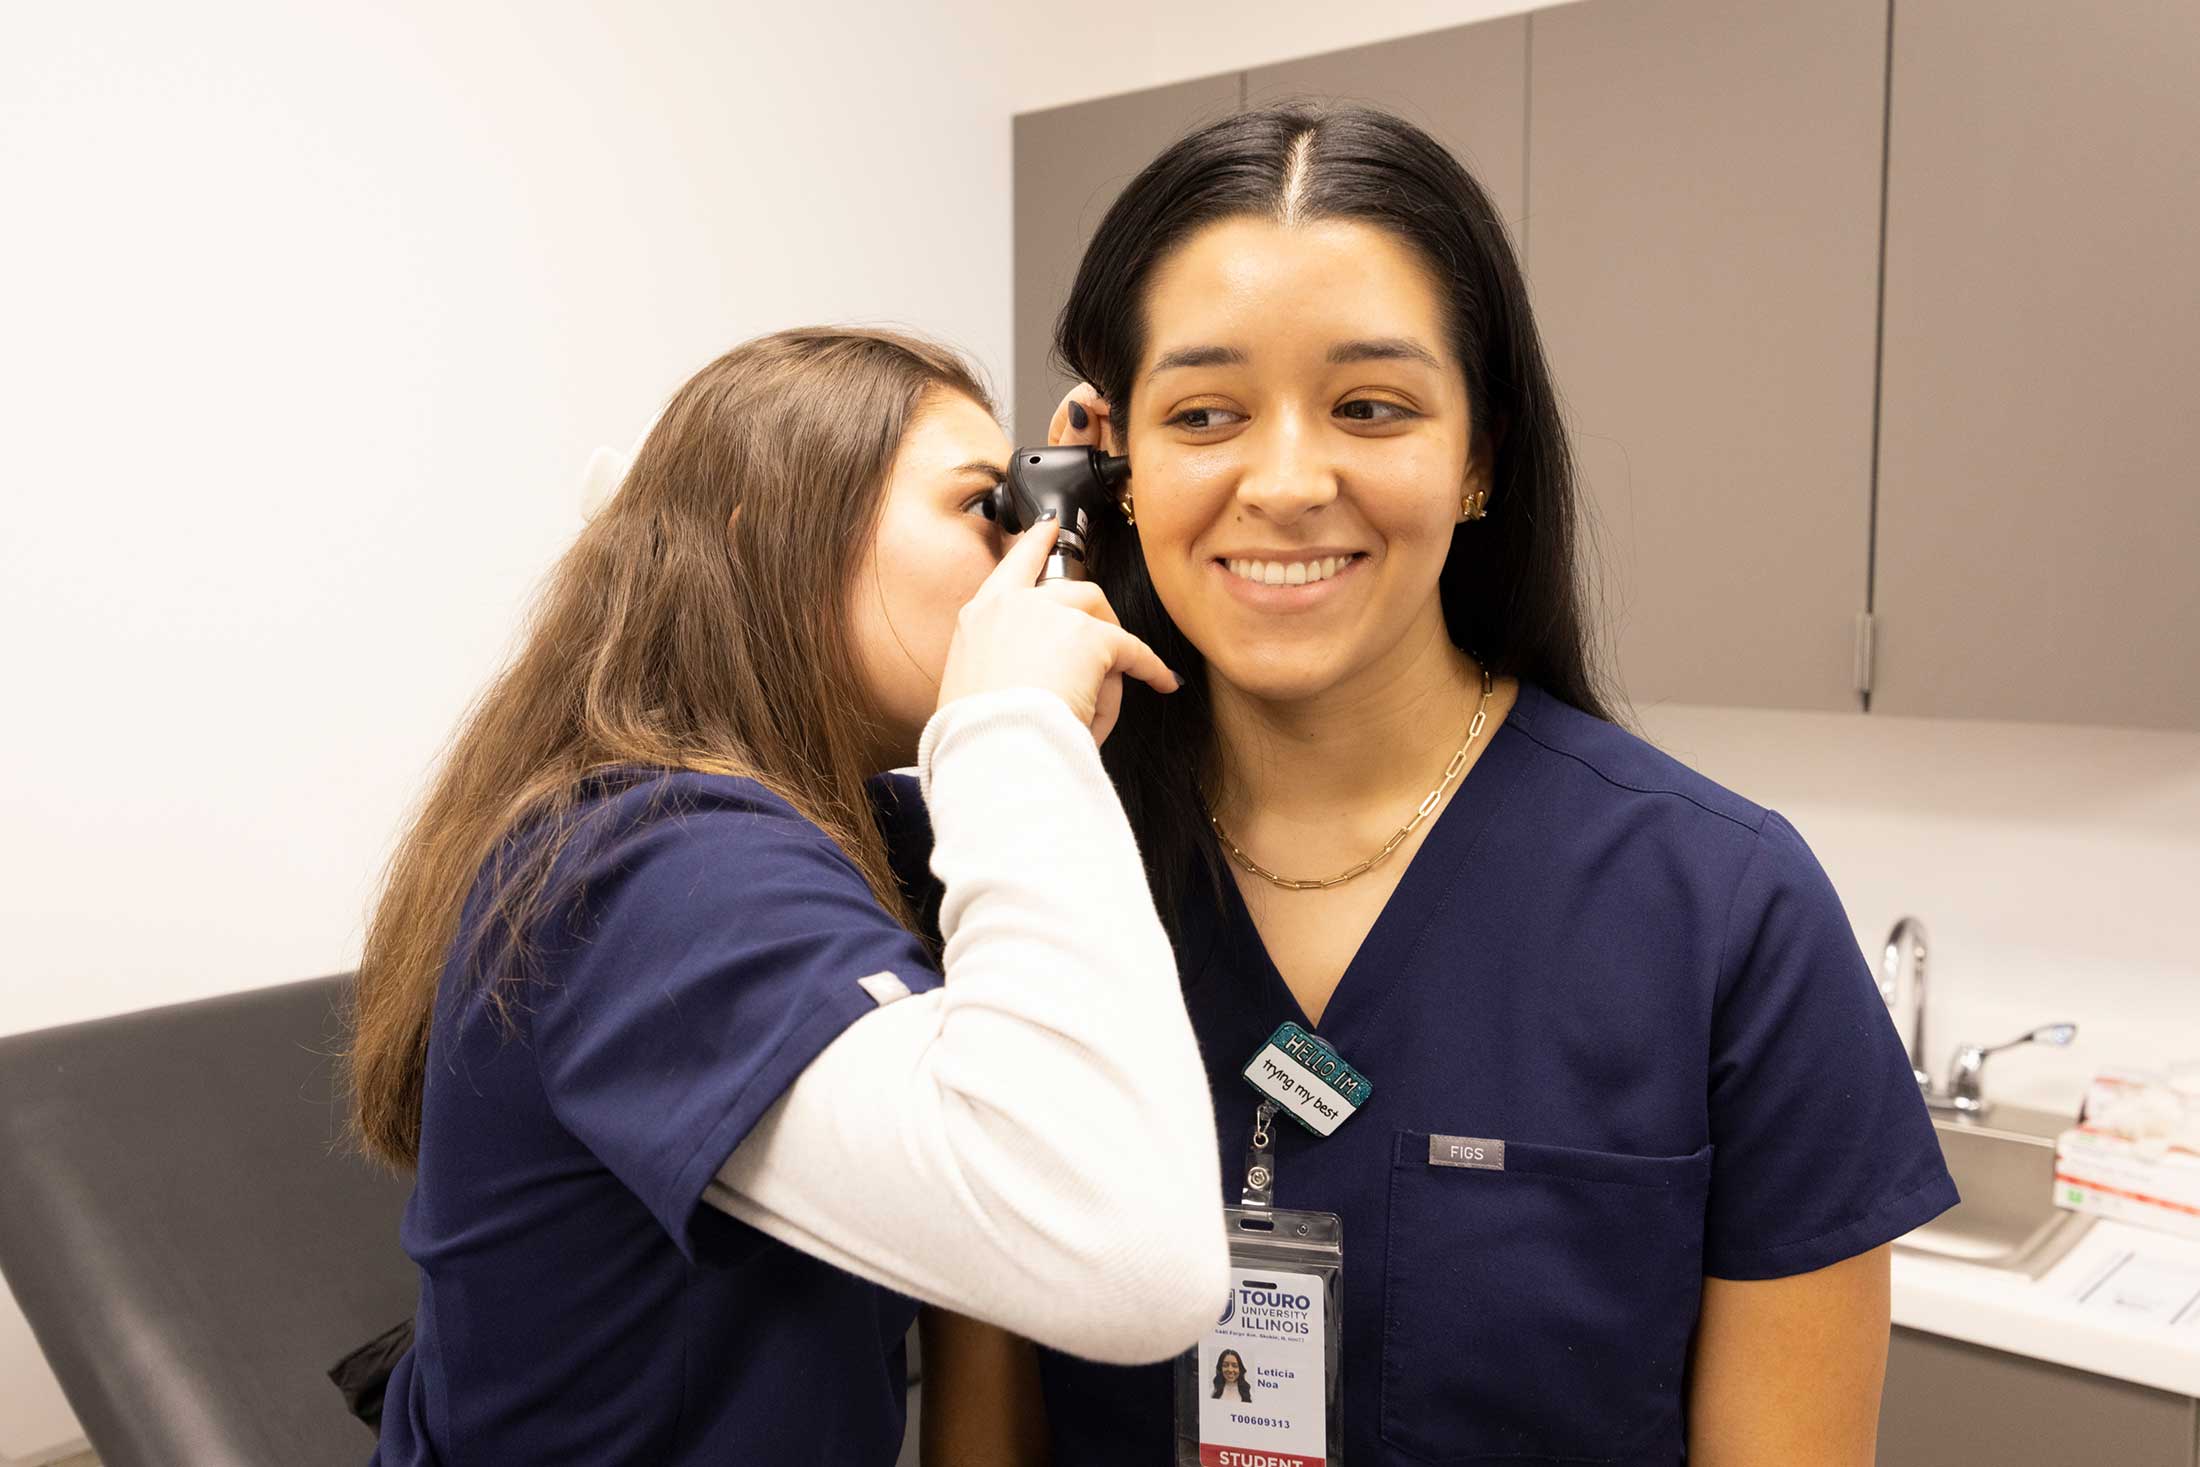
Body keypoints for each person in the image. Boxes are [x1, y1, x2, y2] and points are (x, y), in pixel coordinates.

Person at [923, 105, 1956, 1467]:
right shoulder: (1029, 869)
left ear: (1479, 455)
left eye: (1370, 406)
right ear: (1117, 464)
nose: (1286, 483)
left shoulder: (1723, 914)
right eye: (1205, 414)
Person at [344, 327, 1229, 1466]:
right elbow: (1134, 1264)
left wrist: (1119, 516)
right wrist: (1010, 728)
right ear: (765, 545)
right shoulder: (653, 870)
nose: (1027, 551)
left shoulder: (856, 831)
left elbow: (1081, 896)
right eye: (985, 506)